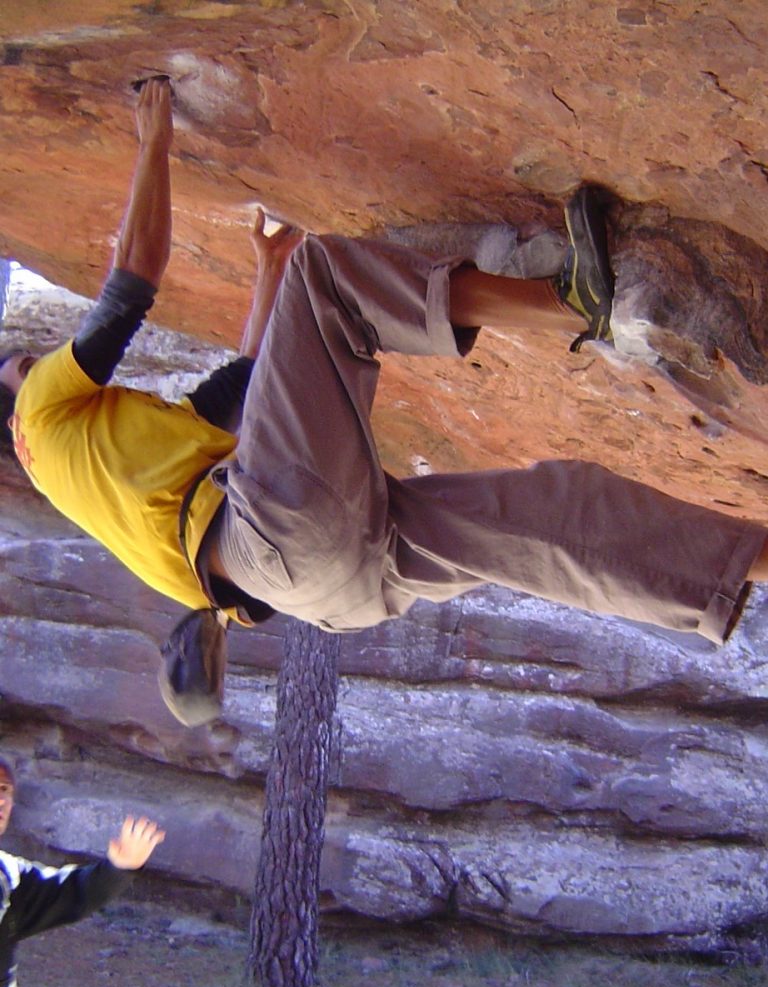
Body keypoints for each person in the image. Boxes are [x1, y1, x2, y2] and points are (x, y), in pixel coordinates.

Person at [2, 78, 767, 726]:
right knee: (325, 276)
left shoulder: (94, 471)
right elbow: (133, 279)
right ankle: (573, 300)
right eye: (11, 359)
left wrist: (268, 269)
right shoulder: (38, 408)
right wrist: (154, 132)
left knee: (548, 516)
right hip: (277, 534)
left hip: (327, 587)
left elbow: (249, 386)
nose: (27, 356)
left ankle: (740, 566)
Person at [0, 756, 165, 987]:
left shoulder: (8, 877)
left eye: (5, 789)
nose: (1, 801)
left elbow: (73, 892)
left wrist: (119, 867)